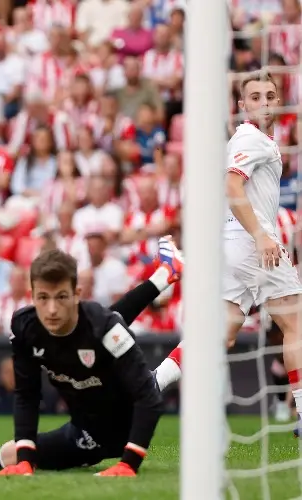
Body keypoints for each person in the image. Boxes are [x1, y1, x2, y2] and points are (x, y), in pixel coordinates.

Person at [153, 71, 302, 436]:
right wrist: (261, 236)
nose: (265, 102)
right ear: (242, 106)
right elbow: (231, 184)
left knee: (221, 332)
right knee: (296, 324)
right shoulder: (251, 138)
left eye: (270, 94)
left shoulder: (256, 139)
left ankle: (152, 382)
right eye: (256, 97)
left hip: (232, 245)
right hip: (255, 242)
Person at [0, 237, 183, 477]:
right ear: (32, 296)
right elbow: (26, 394)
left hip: (124, 423)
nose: (51, 309)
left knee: (141, 380)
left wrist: (129, 463)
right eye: (43, 298)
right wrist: (25, 461)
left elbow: (147, 399)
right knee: (7, 456)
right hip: (84, 428)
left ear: (77, 294)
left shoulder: (105, 326)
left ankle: (191, 343)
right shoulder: (25, 326)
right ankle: (165, 274)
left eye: (61, 297)